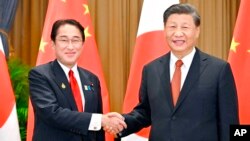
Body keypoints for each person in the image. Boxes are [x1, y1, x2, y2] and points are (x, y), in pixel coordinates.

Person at [115, 3, 239, 141]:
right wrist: (120, 122)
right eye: (172, 27)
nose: (178, 33)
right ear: (164, 30)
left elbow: (229, 122)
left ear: (197, 31)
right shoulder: (151, 70)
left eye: (185, 27)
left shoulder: (219, 70)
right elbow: (145, 112)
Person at [29, 19, 126, 141]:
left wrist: (103, 121)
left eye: (75, 40)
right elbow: (52, 113)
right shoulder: (40, 75)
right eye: (64, 40)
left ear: (82, 44)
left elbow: (97, 129)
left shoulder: (92, 79)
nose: (70, 46)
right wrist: (100, 120)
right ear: (53, 44)